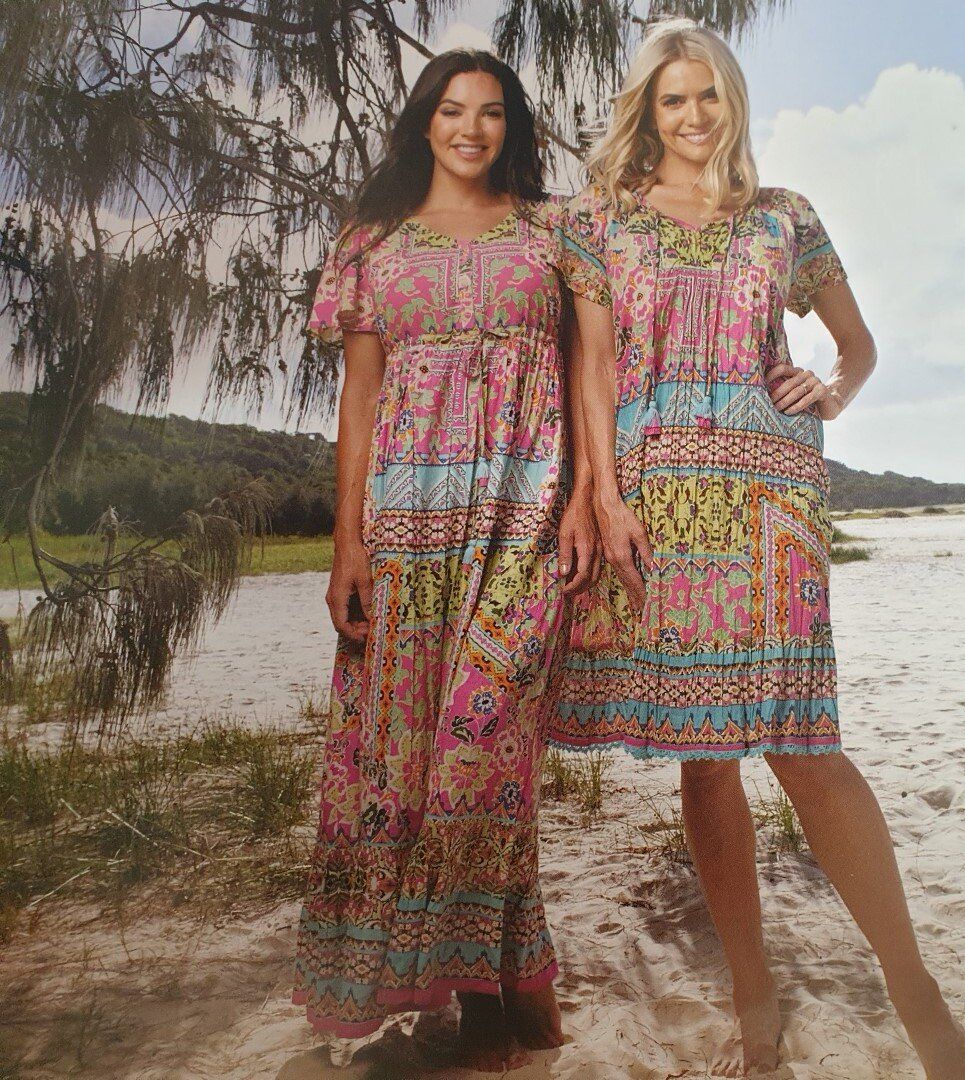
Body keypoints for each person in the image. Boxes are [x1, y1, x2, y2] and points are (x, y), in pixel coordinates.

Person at [551, 17, 965, 1080]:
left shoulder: (784, 219)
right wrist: (602, 491)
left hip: (770, 500)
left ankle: (916, 993)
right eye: (673, 100)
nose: (695, 116)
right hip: (661, 502)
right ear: (646, 112)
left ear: (732, 102)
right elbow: (595, 373)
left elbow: (857, 345)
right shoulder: (598, 224)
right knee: (705, 760)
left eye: (710, 96)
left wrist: (831, 388)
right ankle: (755, 999)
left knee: (804, 743)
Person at [292, 47, 595, 1070]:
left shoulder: (555, 235)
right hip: (405, 531)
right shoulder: (370, 244)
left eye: (492, 113)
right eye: (453, 111)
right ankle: (492, 985)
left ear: (513, 127)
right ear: (424, 122)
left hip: (523, 521)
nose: (472, 129)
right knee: (410, 761)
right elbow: (360, 404)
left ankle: (510, 973)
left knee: (486, 748)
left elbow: (597, 368)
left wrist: (590, 498)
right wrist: (347, 548)